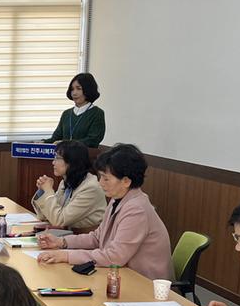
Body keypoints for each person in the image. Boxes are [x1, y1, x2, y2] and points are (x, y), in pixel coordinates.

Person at [37, 143, 173, 281]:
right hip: (122, 274)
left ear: (126, 181)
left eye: (106, 178)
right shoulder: (118, 199)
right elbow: (97, 238)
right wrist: (61, 242)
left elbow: (115, 257)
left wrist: (66, 255)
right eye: (100, 177)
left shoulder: (137, 210)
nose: (100, 183)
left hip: (145, 283)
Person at [31, 140, 107, 231]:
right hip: (66, 233)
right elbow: (45, 216)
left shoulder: (90, 188)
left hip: (84, 236)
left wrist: (48, 191)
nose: (53, 162)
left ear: (72, 161)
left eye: (57, 158)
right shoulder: (66, 182)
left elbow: (59, 221)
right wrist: (42, 191)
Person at [48, 73, 106, 147]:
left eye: (78, 89)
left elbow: (93, 140)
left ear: (88, 89)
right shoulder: (66, 113)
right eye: (72, 89)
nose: (74, 93)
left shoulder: (97, 113)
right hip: (64, 154)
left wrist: (67, 144)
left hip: (86, 154)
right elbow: (55, 138)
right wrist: (41, 142)